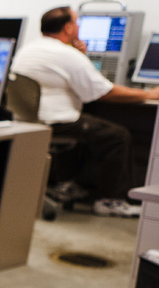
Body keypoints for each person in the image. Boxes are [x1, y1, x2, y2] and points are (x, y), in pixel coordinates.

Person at [10, 6, 159, 217]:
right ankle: (110, 201)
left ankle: (64, 183)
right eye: (77, 23)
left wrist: (79, 56)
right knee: (117, 136)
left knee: (88, 124)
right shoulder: (66, 54)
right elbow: (104, 91)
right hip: (56, 120)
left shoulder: (30, 48)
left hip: (32, 119)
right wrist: (149, 95)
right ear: (69, 28)